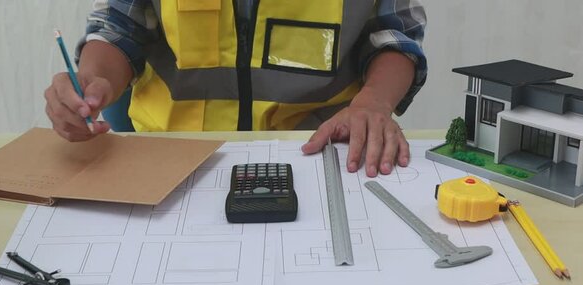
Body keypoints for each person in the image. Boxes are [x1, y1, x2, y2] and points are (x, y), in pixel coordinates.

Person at [44, 0, 427, 177]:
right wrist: (93, 82)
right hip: (174, 162)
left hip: (322, 157)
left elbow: (393, 35)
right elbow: (118, 26)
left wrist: (374, 103)